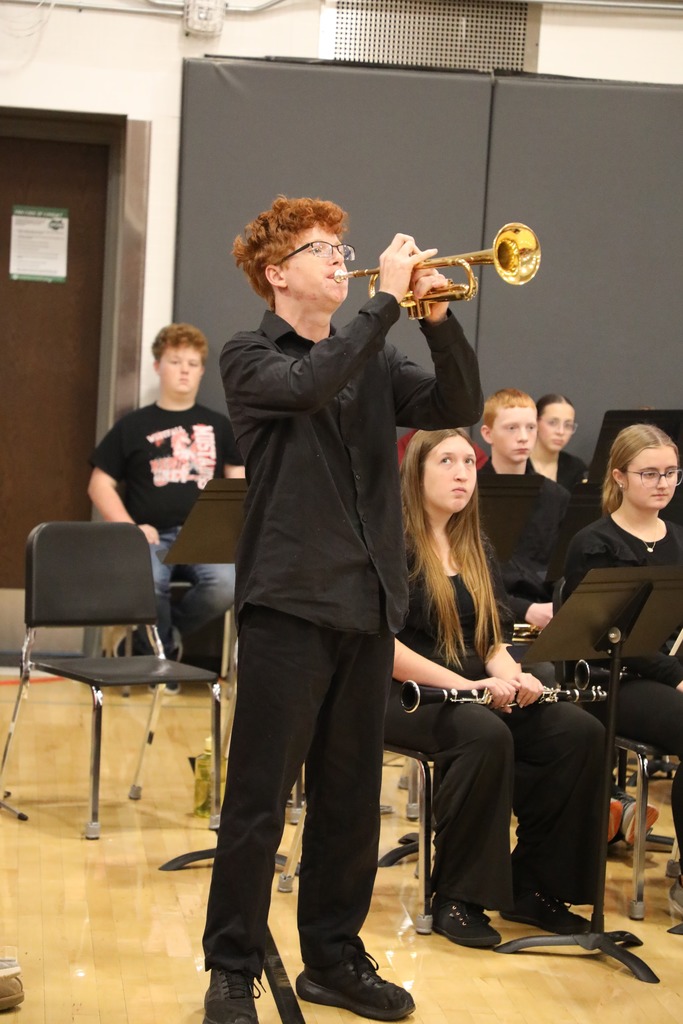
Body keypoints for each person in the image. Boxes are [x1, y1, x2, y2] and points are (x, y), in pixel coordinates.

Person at [201, 195, 484, 1024]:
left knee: (350, 799)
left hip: (367, 606)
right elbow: (310, 382)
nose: (340, 257)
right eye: (322, 249)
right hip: (288, 604)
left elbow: (452, 404)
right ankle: (230, 968)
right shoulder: (249, 355)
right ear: (276, 273)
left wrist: (433, 320)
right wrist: (386, 303)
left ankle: (332, 957)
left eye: (343, 247)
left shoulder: (374, 355)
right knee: (258, 802)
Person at [384, 427, 603, 947]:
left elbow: (491, 641)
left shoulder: (473, 542)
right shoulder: (390, 541)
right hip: (402, 691)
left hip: (473, 685)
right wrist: (469, 685)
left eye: (468, 463)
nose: (463, 473)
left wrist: (514, 674)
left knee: (578, 732)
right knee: (484, 734)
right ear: (415, 474)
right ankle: (458, 898)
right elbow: (384, 648)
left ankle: (537, 888)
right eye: (447, 462)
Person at [564, 422, 683, 918]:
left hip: (665, 676)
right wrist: (676, 675)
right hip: (614, 680)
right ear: (619, 476)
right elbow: (612, 640)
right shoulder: (595, 542)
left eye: (673, 473)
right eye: (649, 473)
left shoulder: (677, 538)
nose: (663, 483)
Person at [88, 323, 244, 689]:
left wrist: (225, 528)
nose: (185, 369)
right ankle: (162, 661)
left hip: (205, 538)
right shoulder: (133, 425)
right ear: (158, 366)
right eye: (176, 361)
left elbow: (238, 482)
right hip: (149, 538)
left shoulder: (219, 425)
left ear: (202, 370)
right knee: (149, 582)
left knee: (225, 584)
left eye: (193, 362)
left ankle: (159, 642)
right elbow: (99, 484)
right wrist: (129, 528)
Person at [478, 388, 570, 635]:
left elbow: (563, 569)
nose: (523, 437)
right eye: (511, 428)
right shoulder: (468, 495)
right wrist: (524, 608)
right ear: (487, 434)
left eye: (530, 428)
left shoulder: (556, 496)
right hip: (486, 619)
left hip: (548, 619)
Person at [531, 393, 588, 491]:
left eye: (568, 425)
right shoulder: (518, 464)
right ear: (536, 422)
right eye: (552, 423)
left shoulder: (576, 467)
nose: (560, 432)